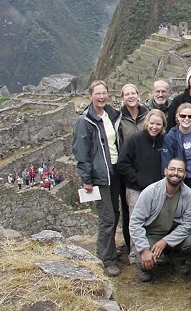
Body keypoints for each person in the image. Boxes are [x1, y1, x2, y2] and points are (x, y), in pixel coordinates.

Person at [71, 80, 122, 277]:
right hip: (100, 176)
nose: (101, 97)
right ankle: (107, 260)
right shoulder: (85, 121)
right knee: (107, 218)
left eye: (104, 93)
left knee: (115, 214)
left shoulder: (110, 115)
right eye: (97, 94)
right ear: (90, 95)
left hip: (115, 171)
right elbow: (81, 151)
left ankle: (106, 250)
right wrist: (87, 178)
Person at [129, 158, 191, 282]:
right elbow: (135, 222)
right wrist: (144, 249)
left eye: (180, 170)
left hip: (172, 235)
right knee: (142, 258)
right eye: (172, 169)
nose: (176, 173)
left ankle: (176, 259)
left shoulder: (189, 195)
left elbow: (189, 224)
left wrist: (165, 241)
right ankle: (144, 267)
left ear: (185, 174)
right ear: (165, 171)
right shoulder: (150, 192)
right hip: (150, 235)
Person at [115, 83, 149, 256]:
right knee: (130, 212)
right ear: (122, 97)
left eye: (133, 93)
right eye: (126, 94)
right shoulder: (119, 118)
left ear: (138, 94)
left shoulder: (147, 114)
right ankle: (133, 250)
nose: (130, 96)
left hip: (147, 167)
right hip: (128, 168)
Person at [117, 110, 168, 222]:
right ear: (146, 123)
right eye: (152, 123)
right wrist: (137, 179)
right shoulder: (134, 139)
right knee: (137, 223)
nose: (154, 127)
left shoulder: (165, 141)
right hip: (137, 190)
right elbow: (122, 163)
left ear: (163, 125)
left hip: (158, 191)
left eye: (158, 124)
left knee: (156, 223)